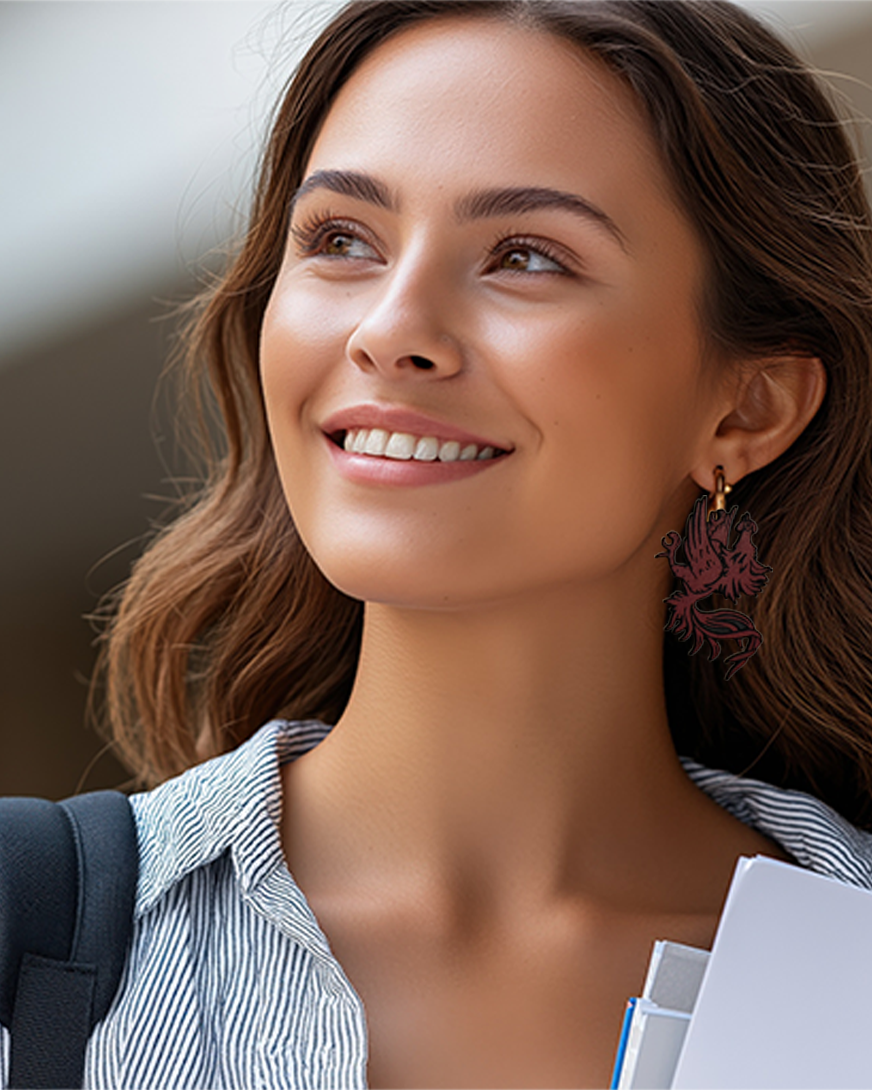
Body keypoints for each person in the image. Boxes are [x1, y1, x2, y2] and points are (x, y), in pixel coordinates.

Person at [6, 1, 872, 1086]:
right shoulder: (24, 940)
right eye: (340, 240)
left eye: (524, 256)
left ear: (744, 409)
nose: (389, 328)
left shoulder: (854, 975)